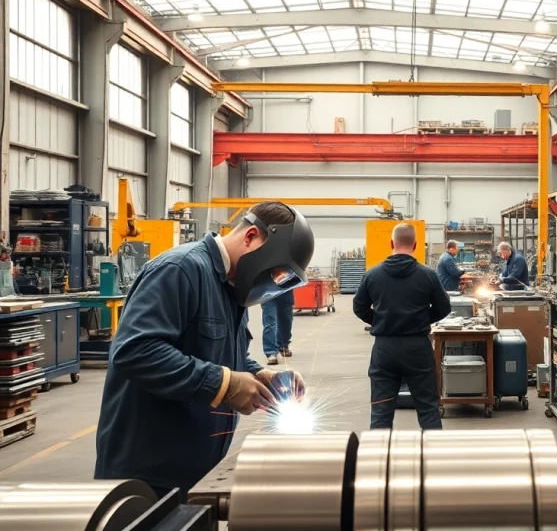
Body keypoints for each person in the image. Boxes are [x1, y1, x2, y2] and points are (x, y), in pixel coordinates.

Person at [95, 202, 315, 499]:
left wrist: (260, 374)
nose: (268, 282)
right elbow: (135, 350)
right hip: (147, 473)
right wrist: (224, 385)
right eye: (273, 272)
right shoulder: (180, 270)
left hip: (192, 470)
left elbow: (217, 354)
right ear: (251, 236)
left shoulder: (233, 287)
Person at [353, 223, 450, 429]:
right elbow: (444, 308)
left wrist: (379, 320)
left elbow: (359, 307)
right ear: (415, 245)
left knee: (381, 412)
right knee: (428, 409)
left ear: (391, 243)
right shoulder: (428, 275)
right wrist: (422, 319)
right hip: (417, 347)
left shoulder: (373, 275)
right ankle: (435, 458)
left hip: (384, 348)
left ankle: (379, 459)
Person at [261, 290, 295, 364]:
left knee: (287, 321)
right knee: (270, 322)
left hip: (285, 289)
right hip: (267, 291)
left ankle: (283, 345)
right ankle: (271, 352)